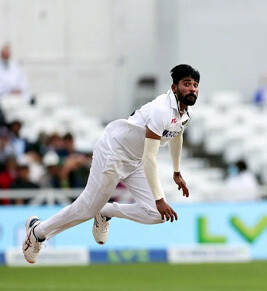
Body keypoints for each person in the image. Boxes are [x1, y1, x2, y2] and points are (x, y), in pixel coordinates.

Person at [21, 64, 199, 264]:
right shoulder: (161, 109)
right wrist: (159, 198)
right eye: (186, 84)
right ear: (174, 87)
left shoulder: (185, 114)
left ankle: (106, 211)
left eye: (195, 85)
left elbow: (176, 135)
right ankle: (38, 232)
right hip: (114, 152)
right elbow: (151, 157)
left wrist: (176, 171)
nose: (192, 89)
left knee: (156, 215)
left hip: (136, 159)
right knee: (87, 209)